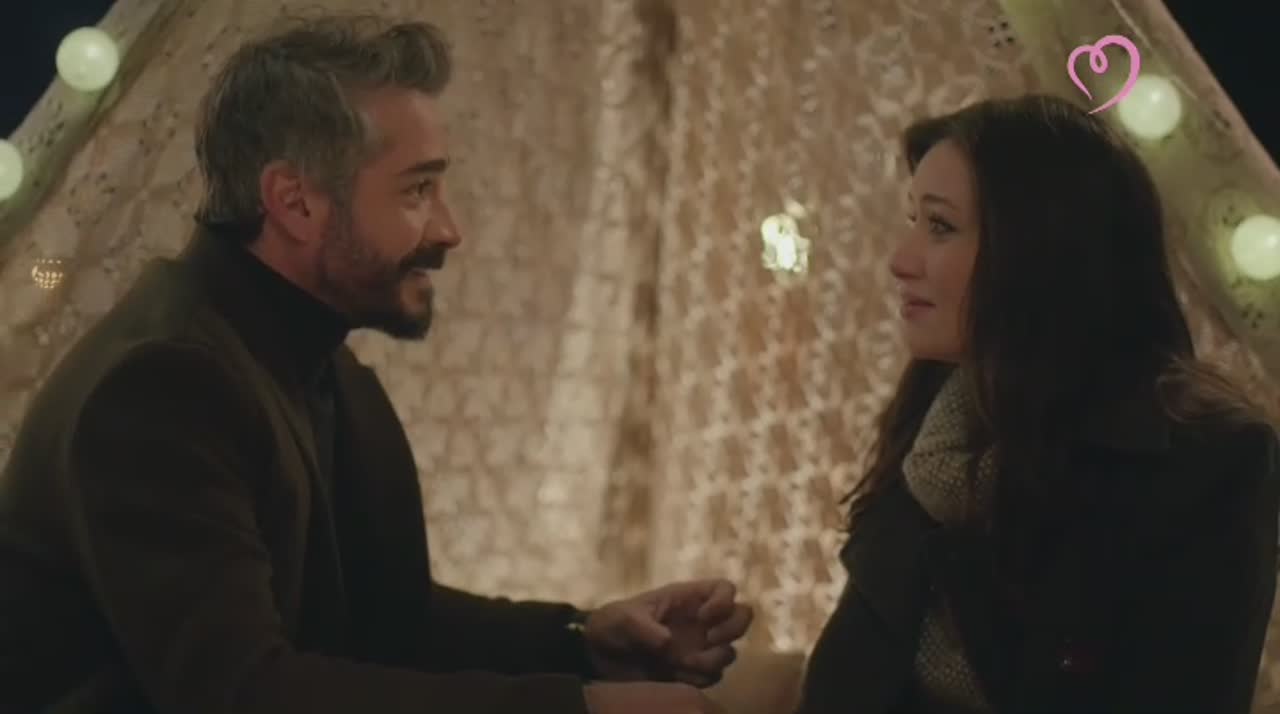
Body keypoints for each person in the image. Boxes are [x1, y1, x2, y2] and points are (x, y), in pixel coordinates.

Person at [0, 14, 750, 714]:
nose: (449, 230)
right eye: (418, 189)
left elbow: (388, 621)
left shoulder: (313, 362)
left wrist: (584, 642)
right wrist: (579, 707)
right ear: (295, 203)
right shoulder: (164, 388)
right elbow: (243, 695)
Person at [795, 94, 1280, 714]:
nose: (900, 261)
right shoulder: (936, 425)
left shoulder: (1208, 462)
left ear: (1040, 248)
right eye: (913, 220)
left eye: (939, 226)